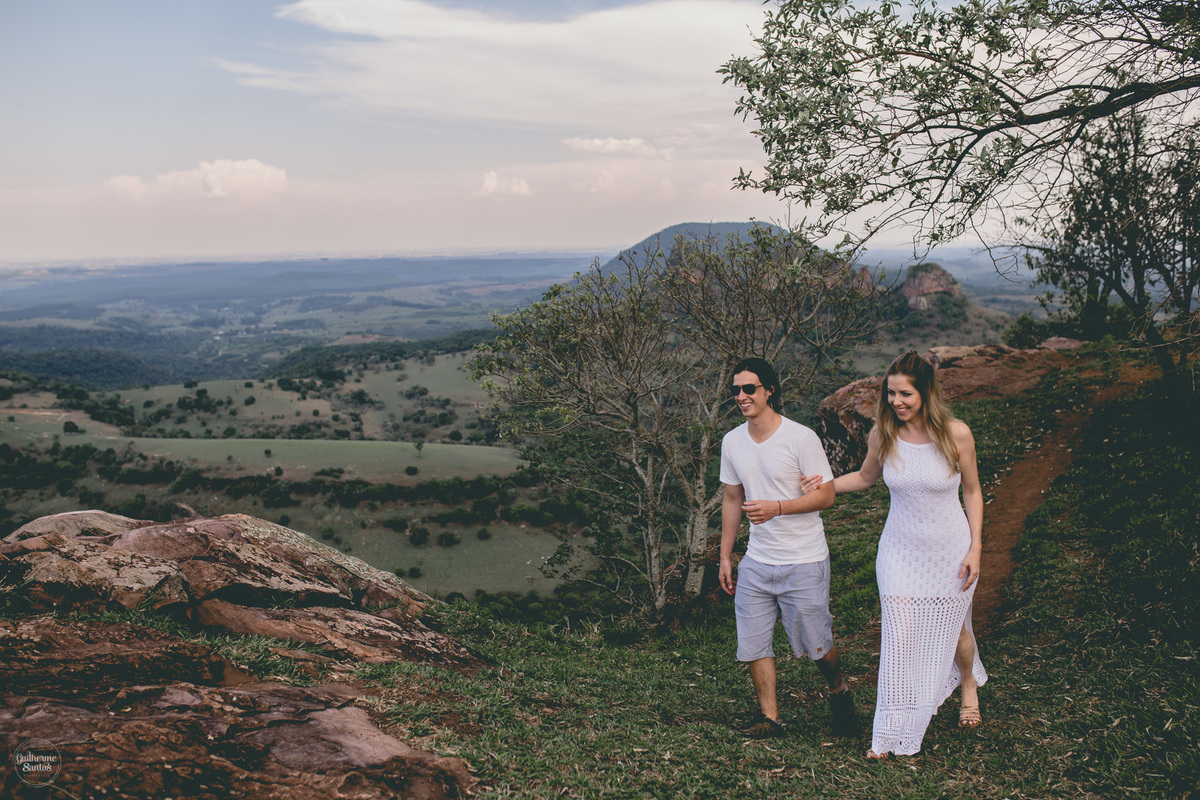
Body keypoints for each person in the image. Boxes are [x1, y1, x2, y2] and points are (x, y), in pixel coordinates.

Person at [803, 351, 988, 758]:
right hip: (899, 552)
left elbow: (972, 490)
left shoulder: (957, 434)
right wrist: (826, 484)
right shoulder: (883, 434)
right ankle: (891, 731)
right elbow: (866, 477)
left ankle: (968, 685)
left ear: (925, 392)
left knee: (955, 632)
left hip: (949, 550)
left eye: (905, 393)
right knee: (899, 637)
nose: (897, 402)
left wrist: (976, 547)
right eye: (891, 394)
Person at [719, 357, 858, 739]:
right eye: (736, 390)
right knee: (753, 640)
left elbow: (827, 496)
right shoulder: (732, 441)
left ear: (769, 391)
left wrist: (778, 507)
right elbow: (732, 499)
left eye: (749, 388)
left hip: (804, 559)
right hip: (757, 561)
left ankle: (838, 690)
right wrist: (726, 555)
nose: (741, 396)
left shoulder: (800, 438)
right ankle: (771, 718)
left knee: (817, 645)